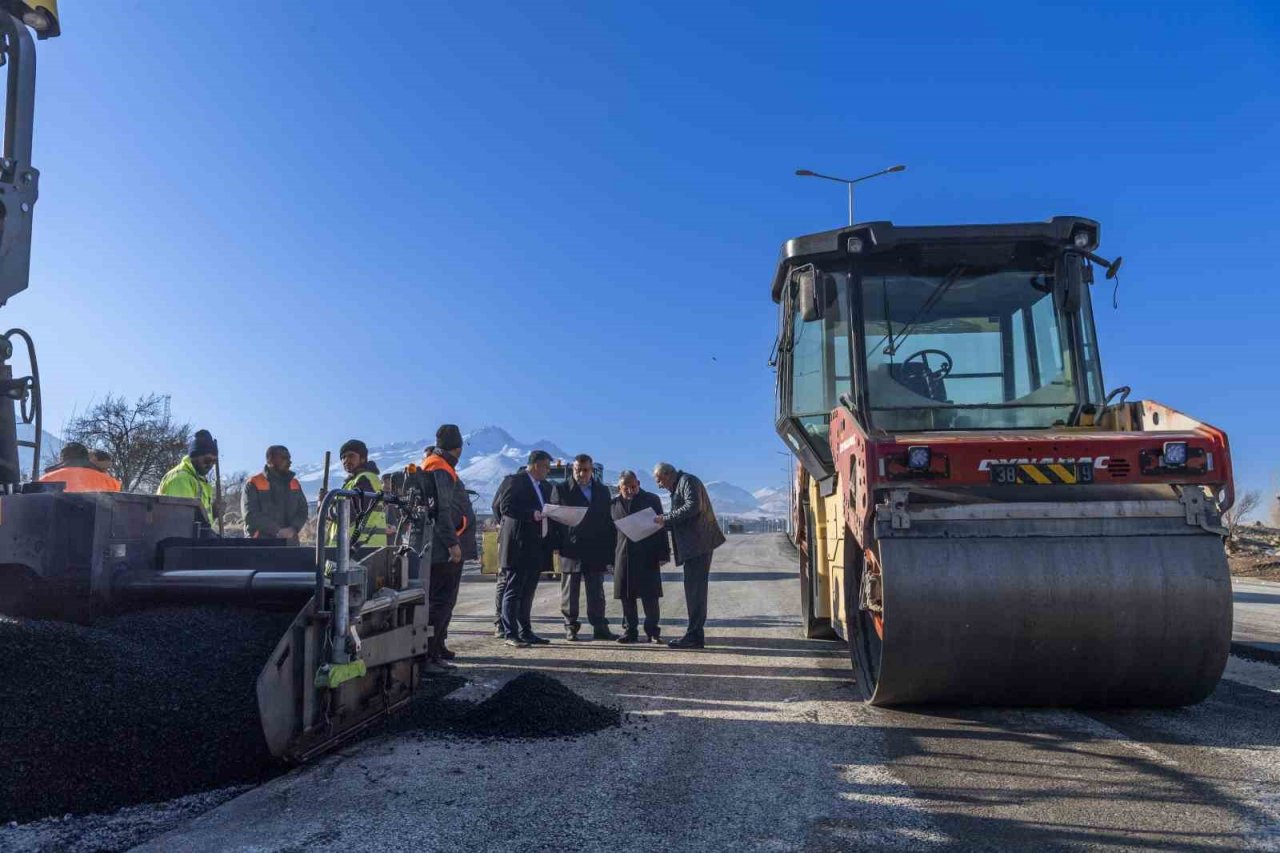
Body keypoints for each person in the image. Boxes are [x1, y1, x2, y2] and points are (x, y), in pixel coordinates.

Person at [653, 462, 725, 649]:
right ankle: (694, 634)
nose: (659, 485)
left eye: (659, 480)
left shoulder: (688, 481)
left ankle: (694, 636)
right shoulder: (682, 483)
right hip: (695, 546)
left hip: (698, 546)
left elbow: (693, 507)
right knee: (693, 590)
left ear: (669, 474)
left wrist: (666, 519)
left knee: (695, 591)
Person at [553, 453, 617, 641]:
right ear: (573, 470)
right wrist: (556, 546)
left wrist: (609, 550)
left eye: (585, 470)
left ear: (592, 470)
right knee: (570, 591)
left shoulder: (602, 491)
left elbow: (608, 521)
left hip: (595, 547)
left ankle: (600, 626)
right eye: (577, 470)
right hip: (571, 548)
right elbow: (555, 520)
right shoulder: (562, 489)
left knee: (596, 590)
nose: (581, 474)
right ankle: (570, 626)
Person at [420, 424, 468, 670]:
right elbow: (442, 509)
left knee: (443, 602)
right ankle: (429, 656)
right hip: (442, 550)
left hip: (438, 546)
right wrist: (452, 543)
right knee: (441, 601)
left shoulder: (436, 463)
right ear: (458, 448)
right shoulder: (440, 467)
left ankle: (437, 648)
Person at [497, 449, 554, 647]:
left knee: (528, 591)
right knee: (513, 589)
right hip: (518, 545)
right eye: (546, 467)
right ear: (536, 465)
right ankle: (510, 632)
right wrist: (531, 515)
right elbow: (505, 507)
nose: (548, 471)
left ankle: (526, 631)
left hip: (535, 547)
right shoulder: (515, 480)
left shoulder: (544, 486)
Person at [612, 469, 668, 643]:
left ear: (639, 484)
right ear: (619, 487)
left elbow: (662, 528)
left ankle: (653, 631)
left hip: (647, 555)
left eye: (633, 486)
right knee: (626, 596)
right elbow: (608, 534)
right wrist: (608, 559)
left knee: (650, 596)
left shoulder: (652, 499)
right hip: (623, 555)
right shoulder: (613, 505)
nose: (630, 490)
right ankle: (630, 631)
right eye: (625, 487)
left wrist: (664, 553)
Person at [323, 439, 387, 548]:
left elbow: (348, 514)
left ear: (362, 458)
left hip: (362, 550)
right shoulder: (352, 482)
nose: (346, 460)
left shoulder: (365, 479)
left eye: (351, 456)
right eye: (343, 457)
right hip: (354, 549)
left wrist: (328, 504)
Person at [242, 445, 308, 544]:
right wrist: (277, 531)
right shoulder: (253, 483)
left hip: (290, 544)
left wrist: (293, 528)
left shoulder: (294, 484)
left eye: (289, 458)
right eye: (284, 458)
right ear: (270, 460)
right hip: (259, 546)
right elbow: (250, 516)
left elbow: (303, 510)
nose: (289, 462)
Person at [157, 429, 222, 526]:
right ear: (194, 456)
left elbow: (200, 524)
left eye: (214, 461)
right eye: (207, 460)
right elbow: (180, 525)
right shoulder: (181, 479)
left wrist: (213, 514)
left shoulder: (200, 481)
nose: (210, 465)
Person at [37, 442, 121, 493]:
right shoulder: (111, 482)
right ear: (86, 458)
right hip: (98, 522)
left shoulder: (45, 480)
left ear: (62, 459)